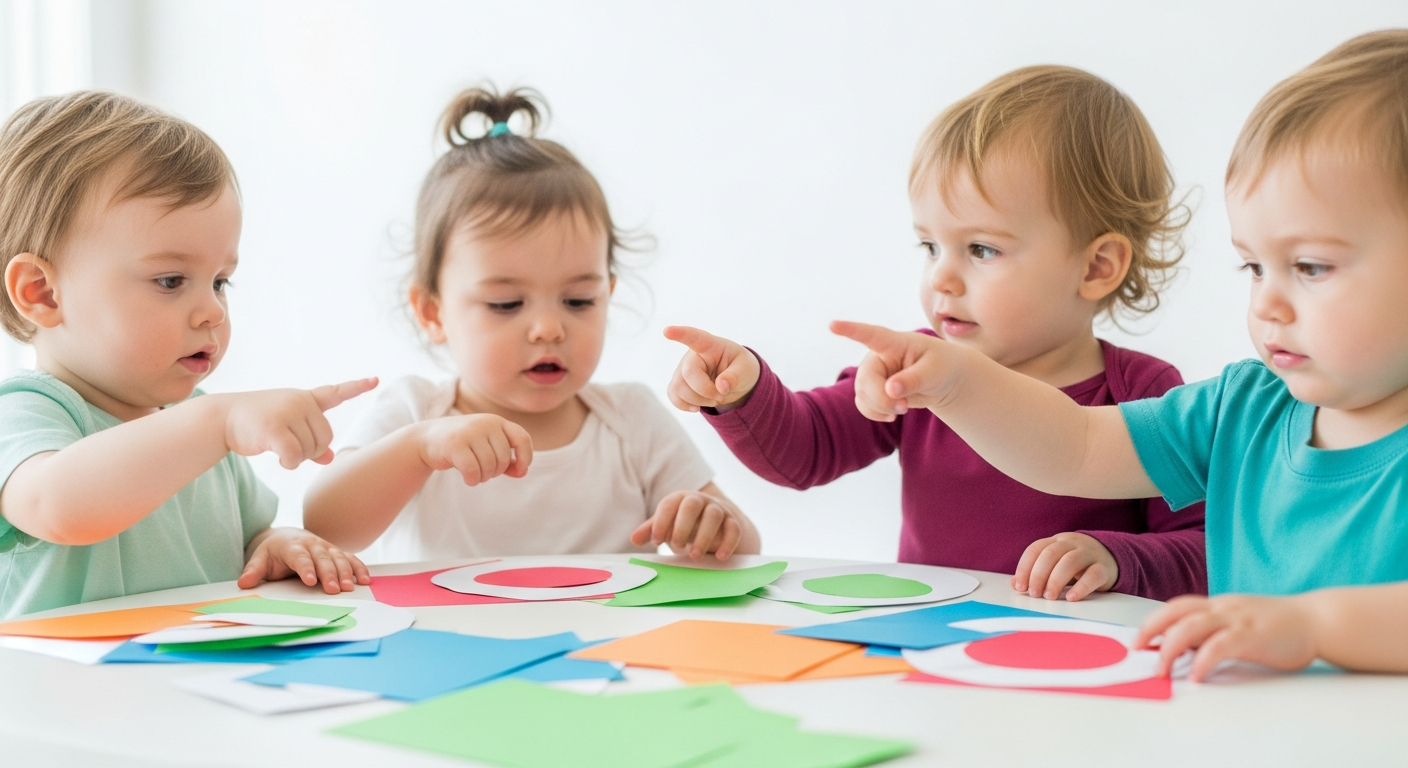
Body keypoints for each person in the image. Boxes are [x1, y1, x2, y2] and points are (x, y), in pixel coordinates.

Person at [832, 31, 1408, 679]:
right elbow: (1074, 445)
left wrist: (1312, 626)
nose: (1267, 303)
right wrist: (956, 382)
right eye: (1252, 266)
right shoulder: (1240, 409)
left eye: (1309, 266)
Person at [667, 66, 1205, 602]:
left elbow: (1204, 551)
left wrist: (1116, 559)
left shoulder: (1145, 393)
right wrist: (744, 389)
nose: (941, 278)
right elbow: (805, 451)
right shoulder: (917, 368)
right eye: (930, 246)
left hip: (1074, 660)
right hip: (931, 649)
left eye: (982, 249)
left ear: (1096, 267)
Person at [305, 87, 759, 563]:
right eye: (506, 304)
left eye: (579, 300)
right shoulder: (417, 414)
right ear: (433, 312)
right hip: (446, 637)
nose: (548, 328)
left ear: (608, 293)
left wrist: (713, 523)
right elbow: (326, 527)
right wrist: (418, 450)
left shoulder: (632, 421)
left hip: (607, 639)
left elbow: (748, 551)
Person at [0, 91, 373, 619]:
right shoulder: (25, 415)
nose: (213, 313)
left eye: (220, 281)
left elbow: (250, 538)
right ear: (42, 292)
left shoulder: (197, 426)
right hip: (57, 697)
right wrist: (214, 421)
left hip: (183, 690)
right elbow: (59, 507)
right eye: (171, 280)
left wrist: (277, 543)